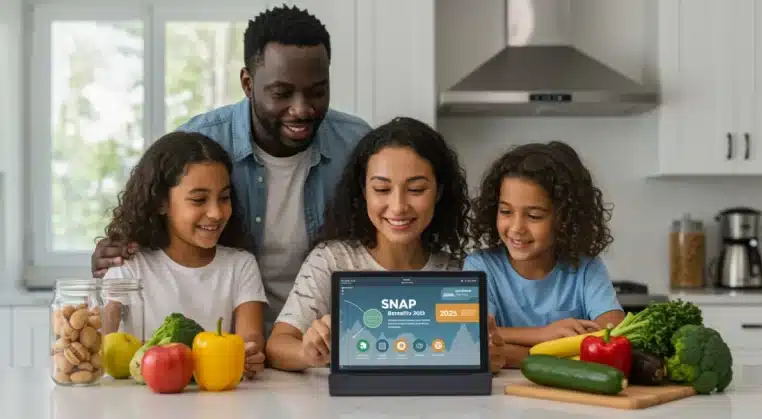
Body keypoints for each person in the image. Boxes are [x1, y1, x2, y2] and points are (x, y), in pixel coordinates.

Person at [90, 5, 372, 327]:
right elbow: (147, 221)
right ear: (248, 83)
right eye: (281, 93)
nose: (301, 109)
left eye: (317, 92)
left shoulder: (356, 144)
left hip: (322, 340)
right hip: (226, 346)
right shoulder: (197, 144)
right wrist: (113, 255)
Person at [265, 117, 505, 373]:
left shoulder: (457, 271)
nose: (399, 207)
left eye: (416, 189)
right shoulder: (331, 260)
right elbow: (277, 345)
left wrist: (491, 357)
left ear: (439, 192)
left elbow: (478, 353)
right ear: (363, 191)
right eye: (381, 189)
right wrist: (308, 352)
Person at [99, 131, 269, 379]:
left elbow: (250, 338)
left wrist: (251, 354)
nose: (216, 213)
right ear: (161, 203)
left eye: (224, 198)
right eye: (199, 200)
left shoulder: (240, 265)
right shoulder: (131, 265)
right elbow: (101, 335)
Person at [463, 141, 625, 368]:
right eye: (506, 211)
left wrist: (512, 352)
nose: (517, 227)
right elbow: (474, 338)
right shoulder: (480, 267)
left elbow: (615, 330)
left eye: (534, 215)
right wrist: (542, 335)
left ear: (565, 219)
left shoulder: (586, 268)